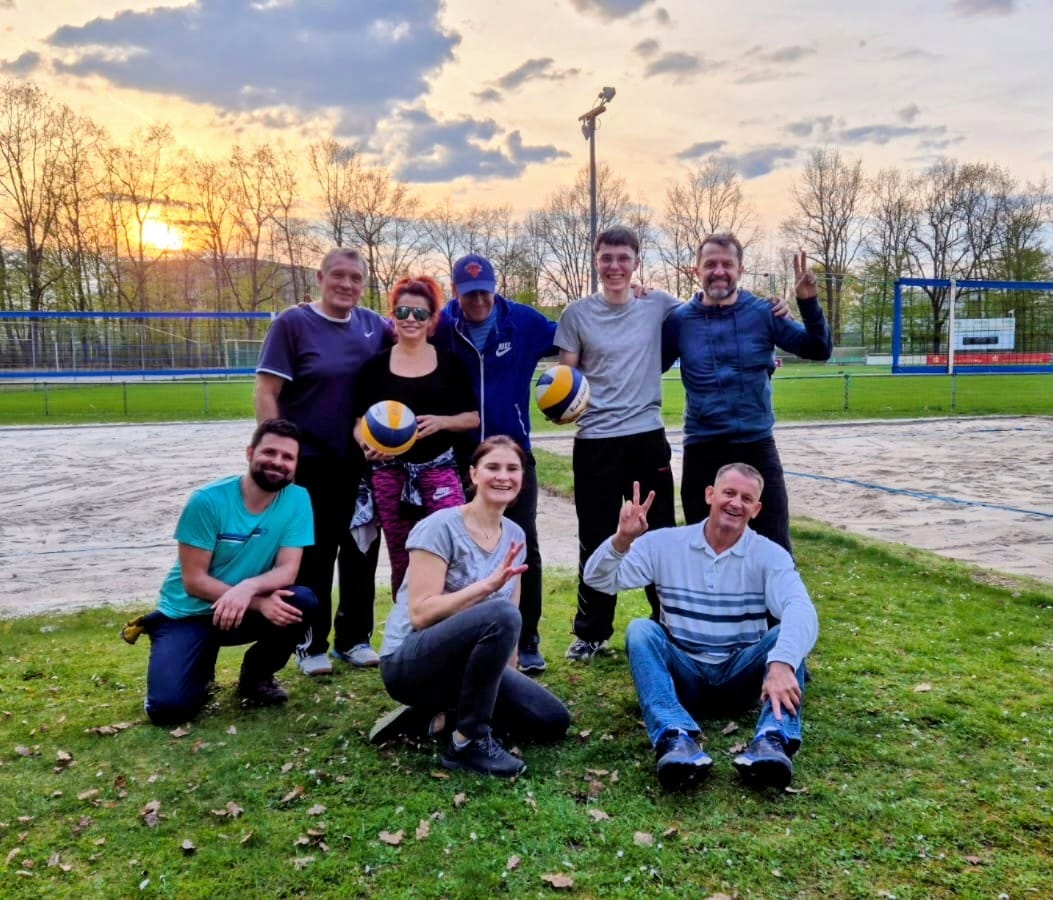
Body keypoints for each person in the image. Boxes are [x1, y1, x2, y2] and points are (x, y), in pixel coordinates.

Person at [583, 463, 818, 790]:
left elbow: (801, 609)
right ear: (710, 494)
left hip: (740, 674)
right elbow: (597, 579)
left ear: (757, 508)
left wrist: (781, 663)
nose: (736, 503)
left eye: (747, 498)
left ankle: (772, 741)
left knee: (788, 638)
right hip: (685, 675)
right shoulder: (664, 544)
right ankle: (675, 738)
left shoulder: (769, 555)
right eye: (729, 493)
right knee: (641, 629)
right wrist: (622, 539)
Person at [372, 436, 570, 777]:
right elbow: (421, 613)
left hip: (466, 666)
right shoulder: (440, 527)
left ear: (523, 477)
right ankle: (467, 743)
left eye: (513, 469)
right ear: (473, 474)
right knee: (501, 614)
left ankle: (435, 713)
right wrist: (485, 587)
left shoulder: (515, 536)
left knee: (551, 720)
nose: (503, 476)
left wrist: (507, 686)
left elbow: (512, 624)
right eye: (492, 467)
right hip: (409, 661)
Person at [255, 247, 392, 676]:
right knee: (314, 556)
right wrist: (275, 450)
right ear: (320, 277)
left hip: (363, 463)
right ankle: (309, 645)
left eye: (356, 278)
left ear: (364, 284)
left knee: (361, 551)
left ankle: (355, 639)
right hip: (310, 463)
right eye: (339, 276)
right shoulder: (293, 324)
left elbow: (409, 351)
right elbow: (266, 391)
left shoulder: (374, 327)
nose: (347, 284)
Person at [554, 226, 680, 662]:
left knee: (659, 534)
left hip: (646, 436)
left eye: (623, 258)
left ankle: (668, 626)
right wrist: (560, 403)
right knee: (595, 536)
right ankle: (591, 633)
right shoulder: (576, 315)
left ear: (636, 262)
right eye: (607, 257)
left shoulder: (659, 304)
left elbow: (707, 318)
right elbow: (565, 380)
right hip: (595, 442)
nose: (615, 266)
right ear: (595, 260)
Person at [143, 418, 318, 725]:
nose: (278, 462)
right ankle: (188, 655)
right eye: (270, 452)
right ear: (250, 452)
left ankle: (256, 678)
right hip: (189, 613)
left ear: (296, 464)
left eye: (287, 457)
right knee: (169, 710)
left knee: (301, 602)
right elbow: (193, 581)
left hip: (240, 610)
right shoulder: (208, 501)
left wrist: (248, 588)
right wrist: (258, 601)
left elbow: (287, 570)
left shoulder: (297, 499)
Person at [664, 235, 832, 554]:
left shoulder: (763, 312)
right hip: (703, 447)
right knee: (702, 550)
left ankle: (771, 607)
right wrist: (638, 297)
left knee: (774, 549)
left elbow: (818, 348)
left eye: (727, 264)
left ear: (740, 269)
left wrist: (808, 303)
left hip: (756, 445)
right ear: (695, 271)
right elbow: (648, 365)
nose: (719, 271)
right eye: (710, 264)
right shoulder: (679, 321)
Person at [431, 253, 558, 674]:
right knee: (459, 548)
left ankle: (528, 639)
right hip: (459, 455)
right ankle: (457, 636)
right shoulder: (441, 326)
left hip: (514, 452)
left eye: (485, 291)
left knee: (524, 545)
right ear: (455, 292)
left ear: (495, 285)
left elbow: (574, 336)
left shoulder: (523, 321)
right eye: (469, 294)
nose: (479, 301)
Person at [352, 275, 480, 597]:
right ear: (392, 314)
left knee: (450, 546)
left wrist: (442, 422)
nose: (411, 319)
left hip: (439, 470)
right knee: (402, 555)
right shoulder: (375, 367)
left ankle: (450, 626)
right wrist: (366, 444)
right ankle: (406, 636)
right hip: (389, 473)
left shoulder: (449, 364)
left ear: (432, 319)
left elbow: (472, 417)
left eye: (420, 313)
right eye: (403, 311)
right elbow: (357, 422)